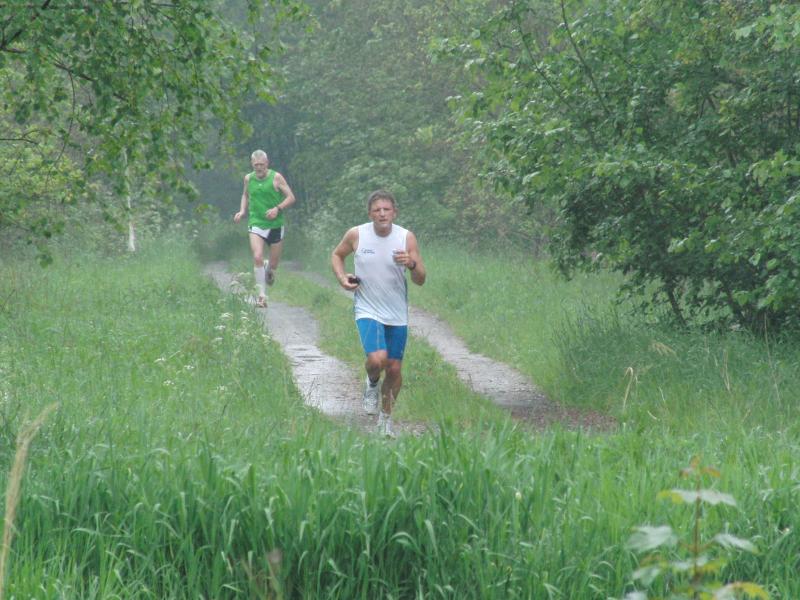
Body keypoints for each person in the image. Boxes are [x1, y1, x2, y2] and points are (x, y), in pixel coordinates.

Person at [331, 190, 426, 437]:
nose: (382, 214)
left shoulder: (406, 237)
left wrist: (411, 264)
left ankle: (385, 420)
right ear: (370, 214)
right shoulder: (356, 234)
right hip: (367, 308)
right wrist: (342, 278)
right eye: (377, 210)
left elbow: (420, 279)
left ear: (395, 212)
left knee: (394, 369)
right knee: (377, 360)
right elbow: (337, 255)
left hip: (397, 312)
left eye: (386, 209)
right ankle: (372, 382)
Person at [233, 150, 296, 308]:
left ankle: (268, 268)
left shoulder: (276, 177)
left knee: (272, 267)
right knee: (257, 256)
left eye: (261, 165)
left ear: (267, 164)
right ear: (252, 165)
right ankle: (261, 297)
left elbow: (291, 197)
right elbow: (245, 195)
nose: (259, 168)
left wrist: (277, 209)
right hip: (256, 222)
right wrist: (242, 211)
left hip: (275, 224)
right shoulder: (248, 178)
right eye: (256, 165)